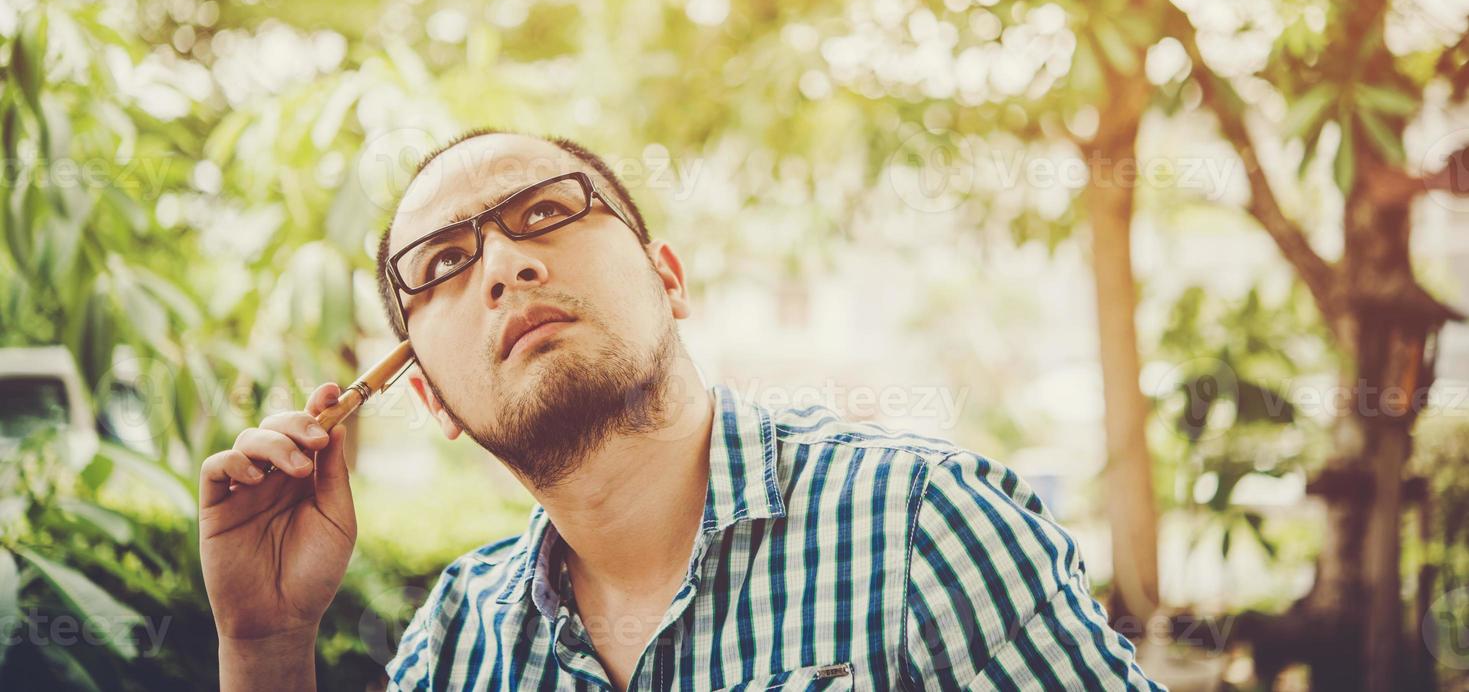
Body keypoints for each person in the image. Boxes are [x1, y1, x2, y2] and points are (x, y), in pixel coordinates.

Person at [199, 129, 1165, 691]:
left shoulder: (921, 526)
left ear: (669, 279)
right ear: (430, 400)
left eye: (544, 212)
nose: (503, 264)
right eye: (443, 264)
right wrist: (266, 644)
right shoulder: (457, 641)